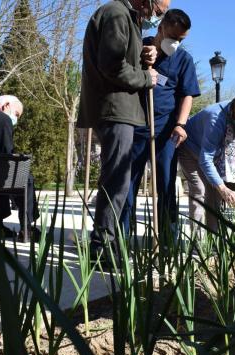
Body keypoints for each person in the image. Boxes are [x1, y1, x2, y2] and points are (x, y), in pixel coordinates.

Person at [78, 0, 170, 257]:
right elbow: (112, 66)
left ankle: (108, 243)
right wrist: (146, 78)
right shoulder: (116, 14)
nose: (157, 16)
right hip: (114, 108)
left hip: (118, 108)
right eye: (158, 11)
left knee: (117, 179)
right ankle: (102, 248)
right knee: (116, 180)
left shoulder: (127, 18)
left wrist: (144, 54)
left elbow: (122, 57)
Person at [120, 8, 200, 239]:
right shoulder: (138, 46)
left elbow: (187, 94)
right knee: (129, 183)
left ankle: (167, 236)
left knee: (165, 183)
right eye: (172, 37)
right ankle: (123, 235)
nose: (175, 43)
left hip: (165, 131)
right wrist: (142, 60)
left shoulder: (183, 59)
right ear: (160, 28)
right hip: (135, 126)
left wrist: (180, 125)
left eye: (180, 39)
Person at [178, 89, 235, 233]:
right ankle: (197, 244)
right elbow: (205, 158)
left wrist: (227, 185)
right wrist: (223, 188)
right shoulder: (216, 118)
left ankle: (213, 239)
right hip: (190, 150)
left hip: (214, 156)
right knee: (199, 191)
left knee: (215, 196)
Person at [0, 95, 39, 241]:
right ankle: (26, 227)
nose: (16, 119)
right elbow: (5, 152)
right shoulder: (1, 118)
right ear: (6, 105)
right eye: (17, 114)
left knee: (2, 174)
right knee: (25, 177)